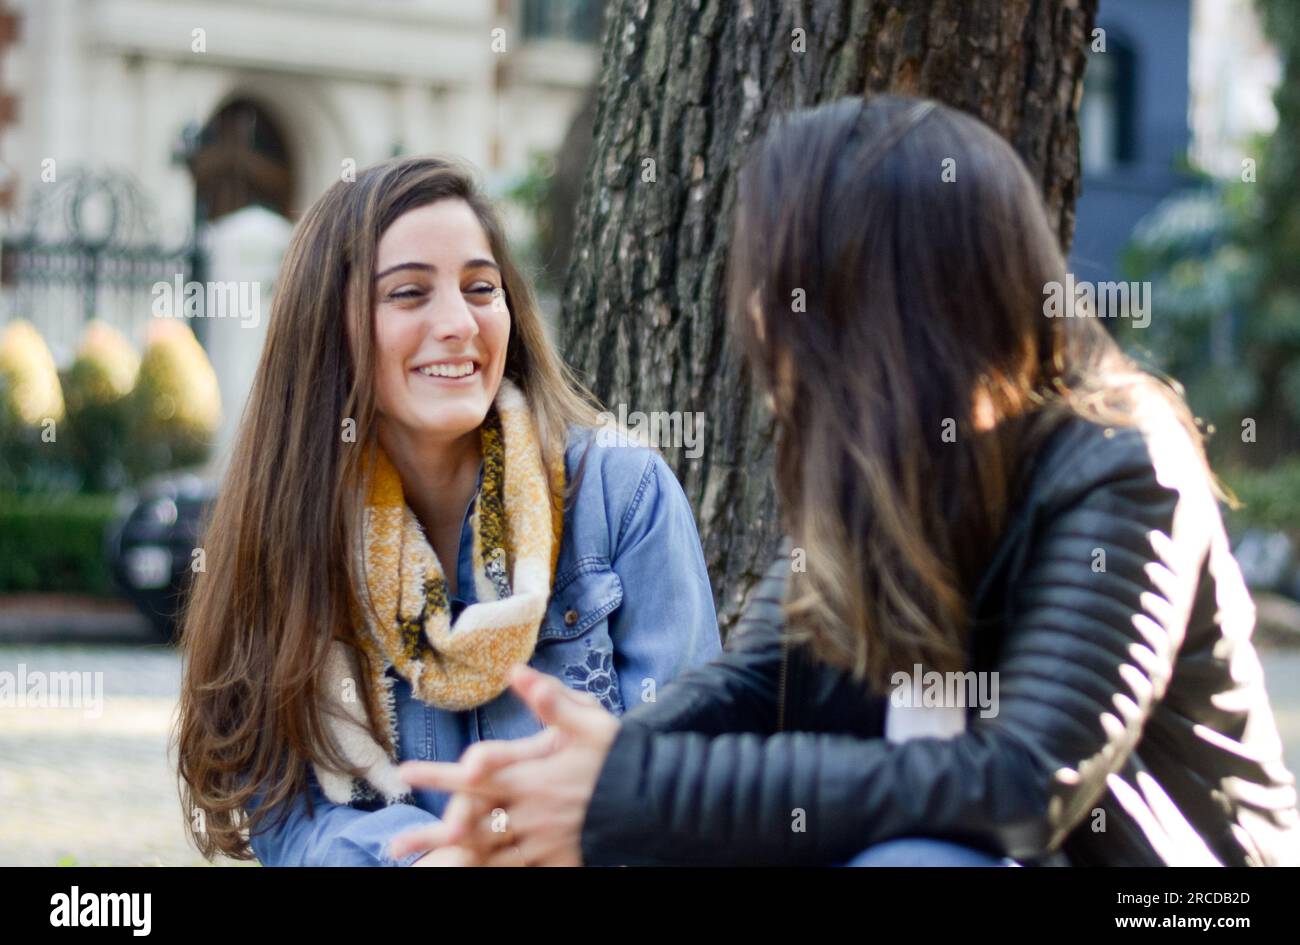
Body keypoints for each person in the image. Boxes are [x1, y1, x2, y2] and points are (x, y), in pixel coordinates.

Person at [390, 96, 1300, 867]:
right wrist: (577, 775)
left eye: (784, 276)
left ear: (880, 297)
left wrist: (631, 788)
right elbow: (758, 685)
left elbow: (1025, 782)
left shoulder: (1120, 463)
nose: (758, 313)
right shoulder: (887, 470)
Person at [175, 156, 720, 866]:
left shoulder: (622, 495)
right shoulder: (289, 528)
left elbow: (694, 783)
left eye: (480, 288)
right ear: (329, 326)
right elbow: (284, 807)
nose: (459, 323)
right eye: (408, 294)